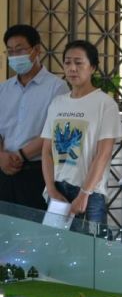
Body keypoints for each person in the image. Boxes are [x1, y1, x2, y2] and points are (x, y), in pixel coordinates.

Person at [41, 40, 122, 233]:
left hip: (90, 192)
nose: (72, 68)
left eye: (78, 63)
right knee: (57, 244)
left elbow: (103, 154)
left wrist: (84, 194)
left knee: (89, 247)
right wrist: (51, 189)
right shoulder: (57, 103)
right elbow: (47, 152)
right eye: (67, 62)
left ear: (92, 67)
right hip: (58, 188)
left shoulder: (105, 104)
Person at [1, 25, 69, 210]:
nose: (15, 56)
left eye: (20, 50)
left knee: (33, 225)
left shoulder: (57, 88)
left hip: (37, 172)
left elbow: (54, 132)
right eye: (10, 51)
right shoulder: (3, 89)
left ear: (37, 50)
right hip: (4, 170)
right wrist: (1, 156)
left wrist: (20, 155)